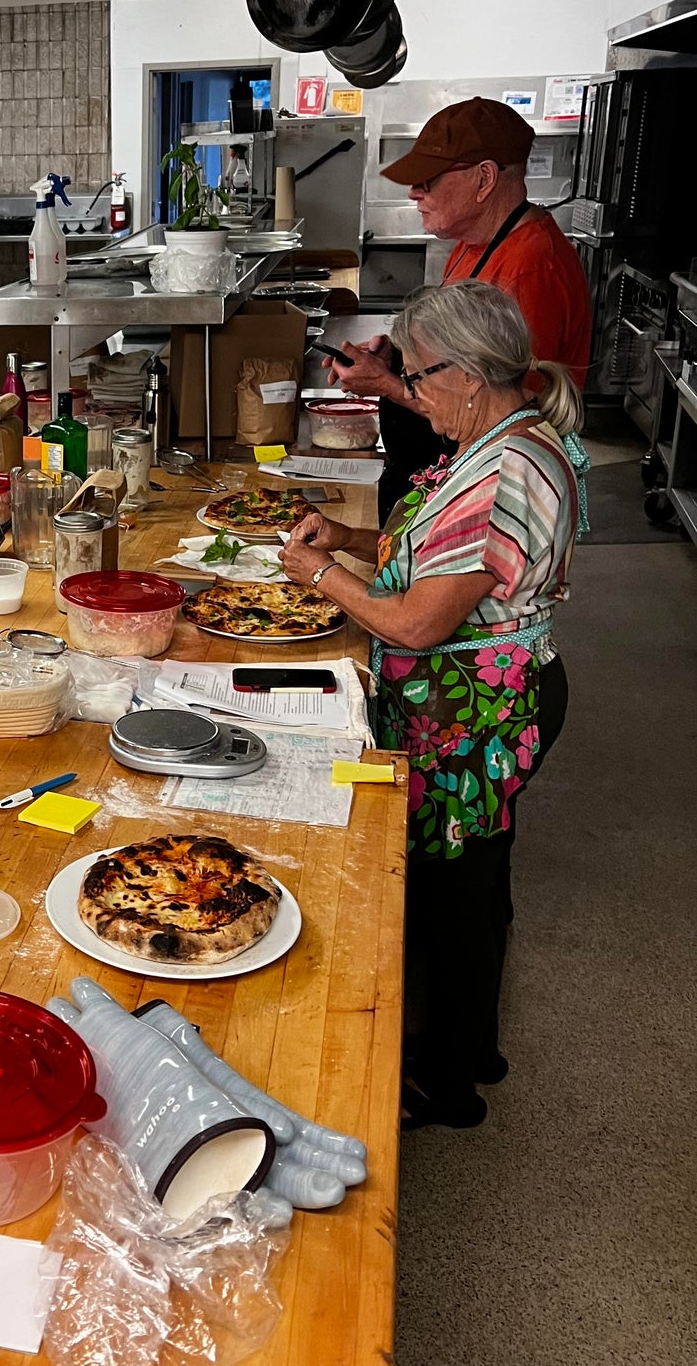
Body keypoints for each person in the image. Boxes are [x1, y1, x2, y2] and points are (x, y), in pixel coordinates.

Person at [279, 281, 586, 1131]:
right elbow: (434, 552)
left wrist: (323, 578)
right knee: (474, 878)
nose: (411, 393)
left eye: (417, 377)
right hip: (467, 700)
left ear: (469, 372)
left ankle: (448, 1086)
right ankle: (471, 1044)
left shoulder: (508, 470)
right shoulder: (498, 434)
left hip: (479, 707)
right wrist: (346, 539)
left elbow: (416, 619)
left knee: (455, 894)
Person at [330, 97, 592, 516]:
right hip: (437, 473)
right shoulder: (473, 246)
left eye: (427, 180)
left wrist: (390, 386)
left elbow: (504, 419)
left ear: (484, 178)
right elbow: (455, 356)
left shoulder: (529, 269)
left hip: (486, 496)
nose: (414, 193)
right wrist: (400, 359)